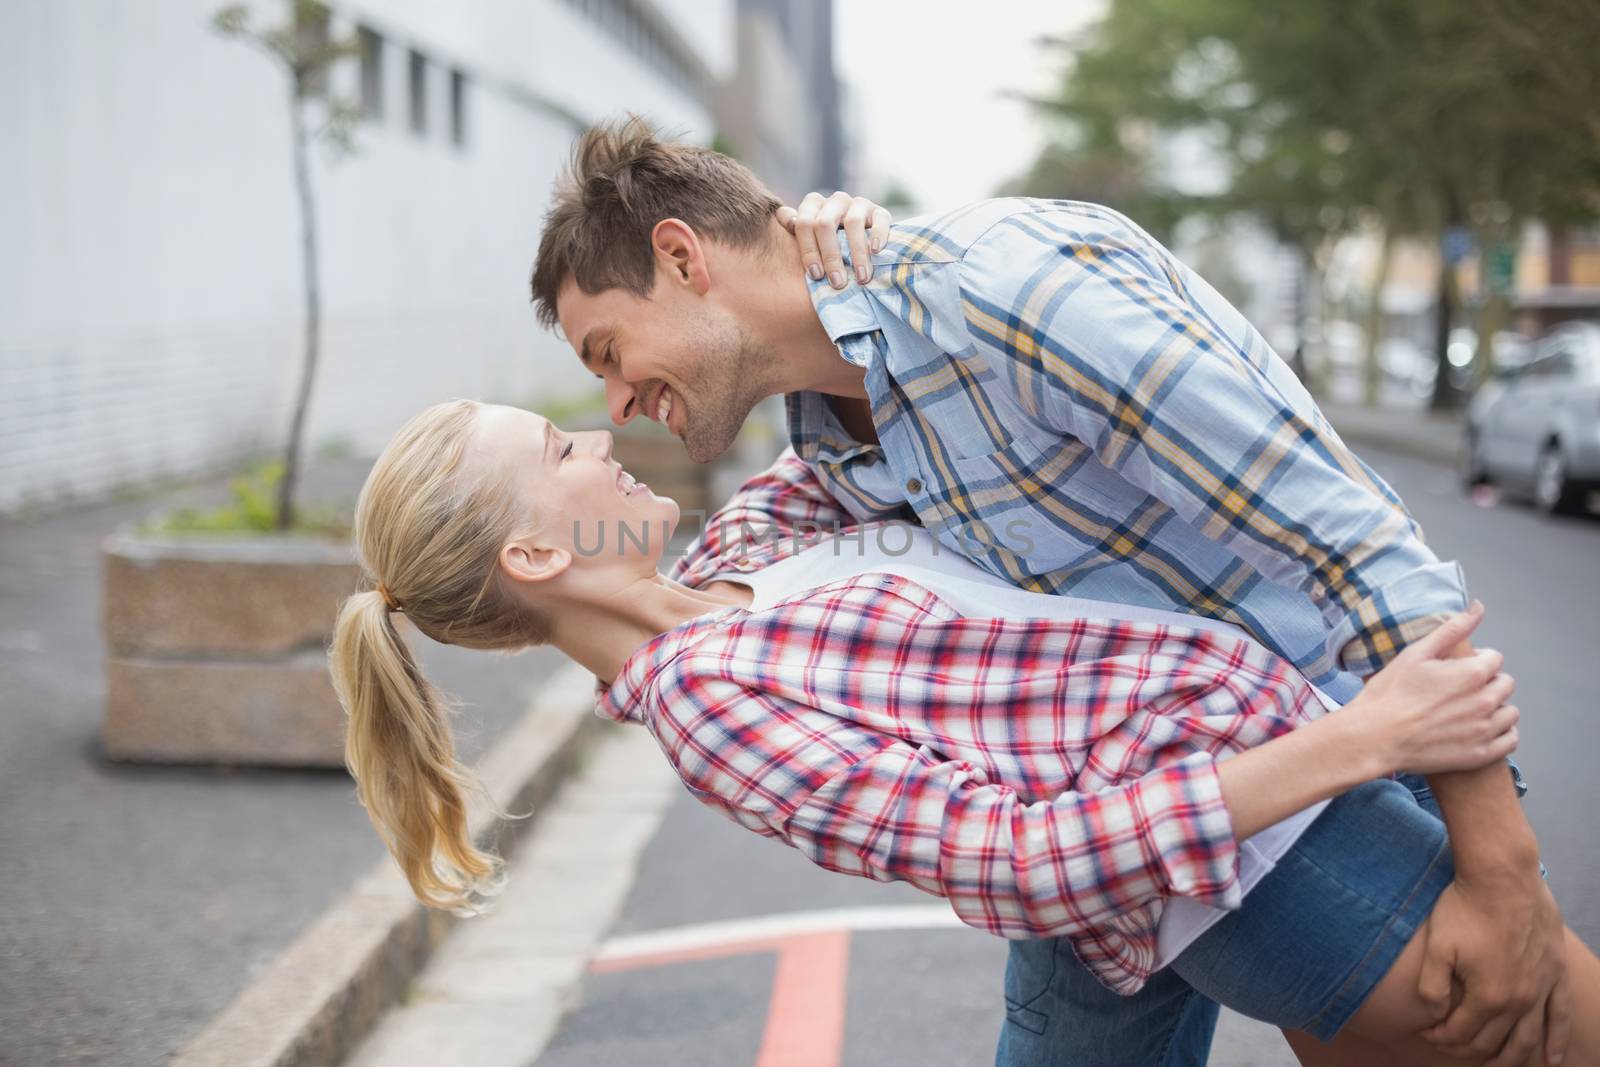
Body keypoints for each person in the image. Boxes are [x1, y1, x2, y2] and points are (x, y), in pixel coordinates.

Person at [527, 118, 1572, 1065]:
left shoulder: (1002, 292)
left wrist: (1502, 867)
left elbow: (1353, 541)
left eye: (610, 351)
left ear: (679, 255)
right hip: (1171, 825)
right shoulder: (828, 441)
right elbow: (708, 594)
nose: (614, 402)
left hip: (1342, 762)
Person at [328, 400, 1600, 1065]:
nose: (603, 435)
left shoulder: (738, 555)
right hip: (1285, 857)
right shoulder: (710, 705)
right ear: (541, 551)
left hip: (1291, 809)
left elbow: (856, 411)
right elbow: (1016, 860)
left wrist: (845, 250)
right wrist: (1369, 737)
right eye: (561, 448)